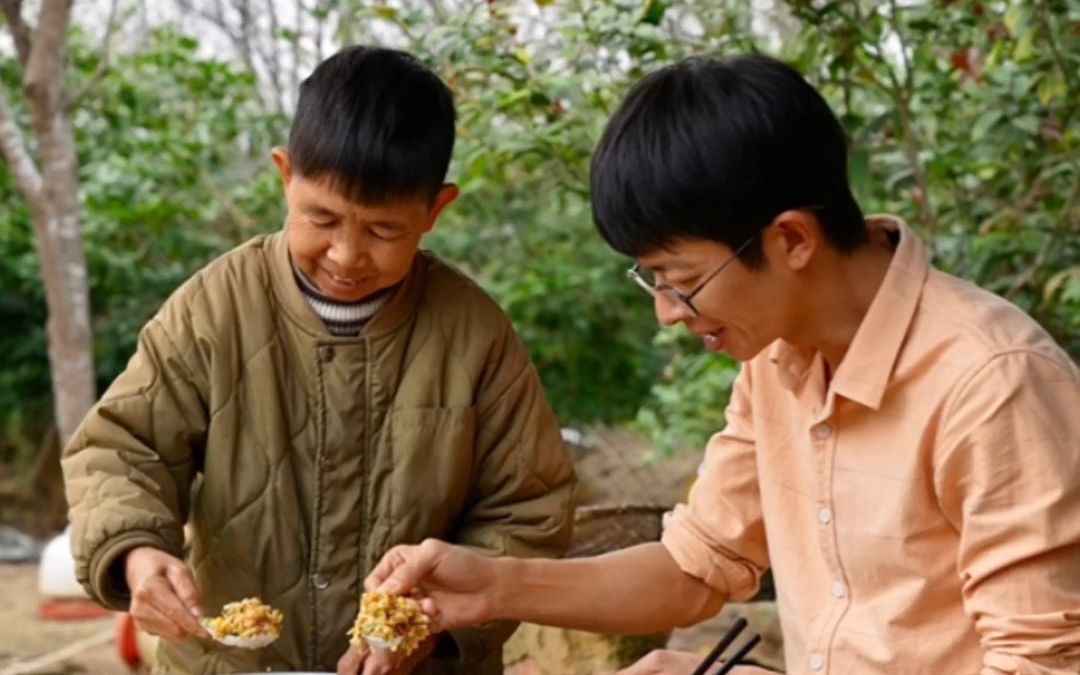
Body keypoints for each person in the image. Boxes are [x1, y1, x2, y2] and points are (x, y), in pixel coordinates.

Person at [363, 54, 1080, 674]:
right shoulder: (778, 364)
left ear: (792, 238)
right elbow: (692, 567)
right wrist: (491, 584)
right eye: (652, 280)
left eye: (679, 278)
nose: (668, 312)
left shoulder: (993, 383)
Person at [61, 45, 576, 675]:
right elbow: (121, 448)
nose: (346, 255)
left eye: (383, 231)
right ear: (285, 175)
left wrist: (427, 626)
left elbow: (529, 508)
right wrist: (135, 552)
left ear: (436, 210)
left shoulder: (472, 332)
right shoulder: (214, 308)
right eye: (321, 218)